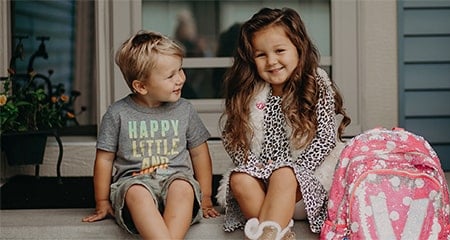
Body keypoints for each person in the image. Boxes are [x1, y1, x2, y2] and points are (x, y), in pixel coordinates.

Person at [219, 7, 350, 240]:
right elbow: (232, 138)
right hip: (261, 186)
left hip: (304, 186)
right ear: (251, 58)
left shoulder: (315, 82)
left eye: (279, 50)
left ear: (299, 49)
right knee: (238, 179)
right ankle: (275, 234)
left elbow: (326, 139)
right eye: (261, 55)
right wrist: (252, 166)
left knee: (284, 173)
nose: (271, 61)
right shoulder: (249, 90)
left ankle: (270, 231)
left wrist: (294, 170)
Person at [82, 30, 219, 239]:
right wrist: (102, 202)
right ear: (141, 86)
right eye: (170, 75)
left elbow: (200, 153)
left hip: (176, 179)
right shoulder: (118, 113)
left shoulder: (185, 110)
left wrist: (206, 196)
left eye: (180, 70)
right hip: (134, 183)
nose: (181, 79)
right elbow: (104, 159)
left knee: (183, 187)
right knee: (138, 193)